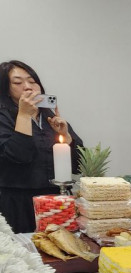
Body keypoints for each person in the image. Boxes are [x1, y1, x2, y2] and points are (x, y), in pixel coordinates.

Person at [0, 60, 83, 233]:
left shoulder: (49, 117)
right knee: (26, 247)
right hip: (18, 203)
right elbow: (18, 156)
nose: (27, 87)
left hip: (56, 201)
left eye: (32, 81)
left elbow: (79, 164)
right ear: (6, 89)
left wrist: (66, 137)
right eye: (17, 82)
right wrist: (24, 115)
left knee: (60, 245)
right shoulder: (3, 116)